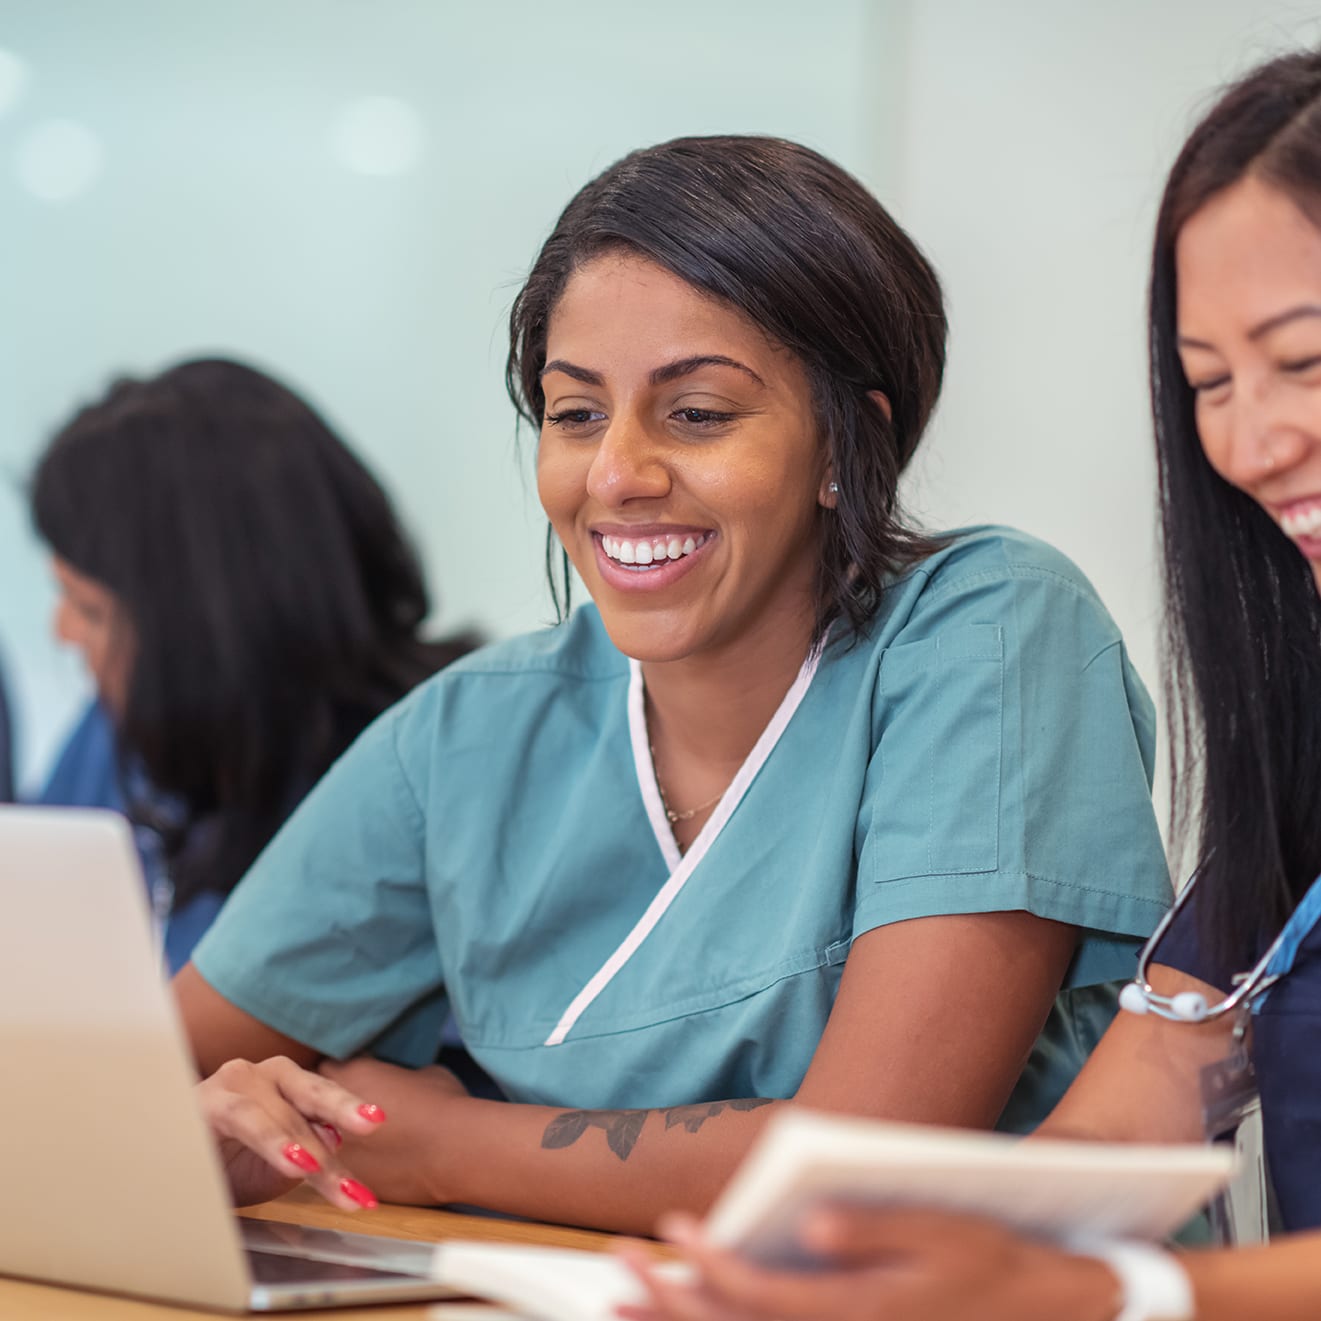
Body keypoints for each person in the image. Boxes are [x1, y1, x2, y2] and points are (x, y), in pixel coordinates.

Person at [179, 136, 1172, 1229]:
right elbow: (125, 1080)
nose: (616, 474)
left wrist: (441, 1144)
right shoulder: (471, 732)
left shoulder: (990, 627)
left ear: (852, 444)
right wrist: (214, 1115)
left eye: (697, 413)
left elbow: (868, 1164)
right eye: (575, 413)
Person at [622, 48, 1321, 1321]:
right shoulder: (1298, 777)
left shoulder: (998, 617)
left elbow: (1089, 1263)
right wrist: (870, 1272)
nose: (1254, 441)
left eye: (1305, 358)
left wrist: (1108, 1290)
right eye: (1210, 383)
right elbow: (1121, 1135)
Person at [31, 357, 478, 971]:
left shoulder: (438, 779)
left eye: (89, 609)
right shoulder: (113, 737)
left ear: (205, 631)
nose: (62, 632)